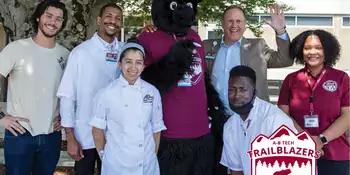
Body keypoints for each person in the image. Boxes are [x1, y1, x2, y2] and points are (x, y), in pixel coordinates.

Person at [0, 0, 69, 174]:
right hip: (20, 134)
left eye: (58, 19)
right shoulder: (16, 49)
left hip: (52, 135)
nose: (53, 22)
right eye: (49, 16)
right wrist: (1, 117)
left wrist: (66, 115)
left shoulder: (65, 55)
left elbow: (70, 92)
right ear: (38, 17)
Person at [56, 3, 124, 175]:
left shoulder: (125, 52)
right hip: (84, 135)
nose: (113, 21)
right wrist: (70, 136)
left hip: (115, 136)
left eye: (118, 18)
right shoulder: (81, 52)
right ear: (99, 20)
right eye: (109, 16)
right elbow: (67, 95)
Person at [278, 29, 350, 175]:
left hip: (335, 154)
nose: (312, 52)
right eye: (307, 48)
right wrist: (304, 139)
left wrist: (321, 139)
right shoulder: (291, 80)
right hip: (297, 152)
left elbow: (347, 116)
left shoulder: (341, 78)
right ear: (300, 51)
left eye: (318, 48)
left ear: (327, 51)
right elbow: (282, 114)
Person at [89, 42, 166, 175]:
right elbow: (97, 130)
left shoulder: (152, 92)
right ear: (119, 64)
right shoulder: (106, 93)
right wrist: (105, 156)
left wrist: (150, 156)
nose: (133, 67)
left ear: (144, 66)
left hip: (146, 165)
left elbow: (156, 128)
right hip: (116, 165)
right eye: (128, 61)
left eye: (138, 62)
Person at [220, 65, 296, 175]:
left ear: (255, 92)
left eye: (243, 90)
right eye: (232, 90)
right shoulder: (230, 126)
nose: (237, 95)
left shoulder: (274, 120)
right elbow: (237, 170)